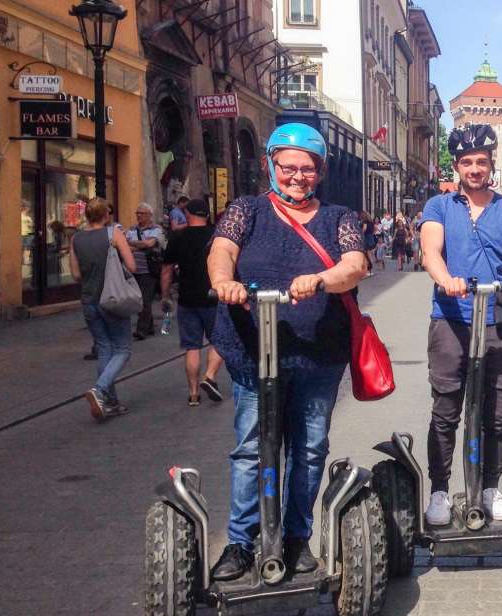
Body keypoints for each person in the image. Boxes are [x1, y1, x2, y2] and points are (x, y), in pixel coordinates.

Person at [205, 123, 367, 581]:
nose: (298, 176)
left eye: (308, 169)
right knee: (252, 446)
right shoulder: (247, 210)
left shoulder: (339, 218)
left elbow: (354, 266)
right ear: (271, 166)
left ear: (320, 172)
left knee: (310, 447)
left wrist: (322, 279)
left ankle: (297, 537)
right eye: (289, 167)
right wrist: (223, 281)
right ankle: (240, 541)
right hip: (254, 351)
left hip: (318, 354)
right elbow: (221, 249)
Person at [418, 123, 502, 526]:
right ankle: (439, 489)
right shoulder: (439, 206)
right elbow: (430, 249)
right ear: (457, 166)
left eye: (481, 162)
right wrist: (444, 276)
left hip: (497, 319)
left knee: (496, 411)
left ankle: (489, 485)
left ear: (491, 165)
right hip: (451, 318)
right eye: (466, 162)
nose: (474, 169)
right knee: (446, 408)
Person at [69, 197, 136, 421]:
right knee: (123, 349)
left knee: (105, 348)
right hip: (112, 298)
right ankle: (99, 389)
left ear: (87, 216)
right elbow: (132, 265)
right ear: (106, 215)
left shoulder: (76, 238)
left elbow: (76, 275)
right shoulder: (113, 234)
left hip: (89, 300)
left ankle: (110, 402)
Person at [161, 198, 225, 406]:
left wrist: (165, 295)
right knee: (219, 341)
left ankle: (194, 394)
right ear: (207, 215)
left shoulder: (178, 237)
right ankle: (210, 376)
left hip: (187, 299)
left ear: (188, 214)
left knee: (192, 347)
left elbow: (167, 269)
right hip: (214, 297)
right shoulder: (217, 235)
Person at [127, 203, 167, 340]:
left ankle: (141, 330)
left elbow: (149, 244)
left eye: (142, 213)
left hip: (149, 270)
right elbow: (127, 247)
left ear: (150, 215)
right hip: (134, 269)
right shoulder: (132, 229)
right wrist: (141, 244)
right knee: (139, 300)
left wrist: (134, 244)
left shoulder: (157, 229)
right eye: (137, 213)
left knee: (145, 300)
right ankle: (149, 327)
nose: (139, 216)